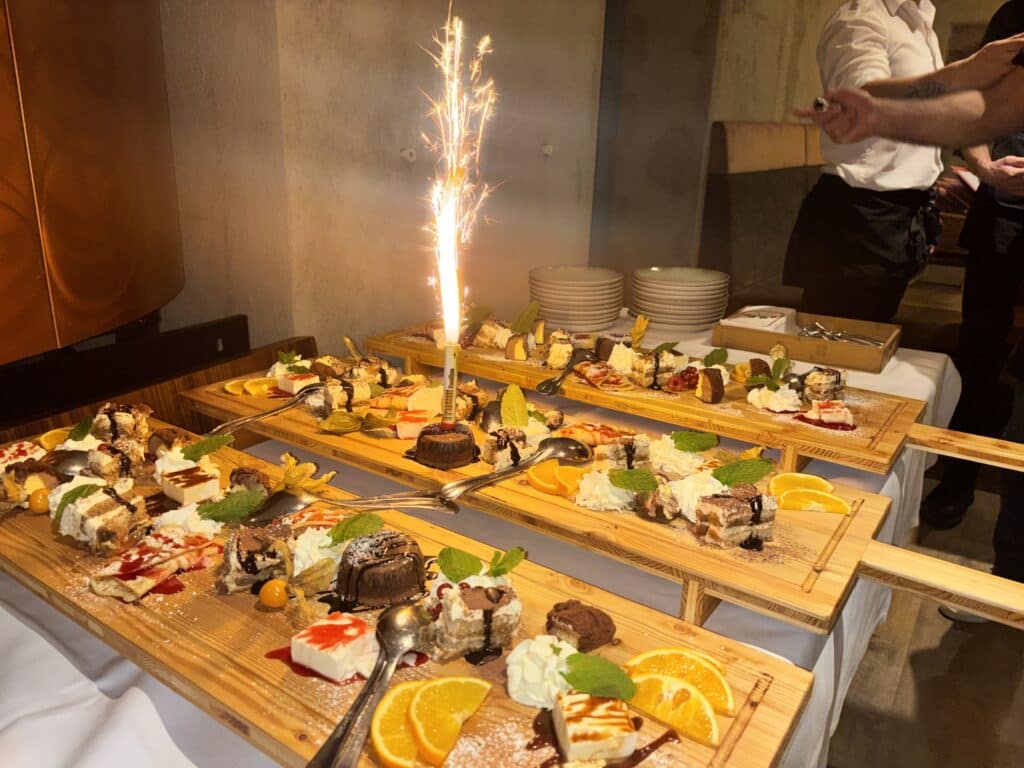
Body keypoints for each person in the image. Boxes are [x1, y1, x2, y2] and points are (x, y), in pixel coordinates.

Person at [922, 1, 1024, 539]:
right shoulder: (1014, 15)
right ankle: (958, 474)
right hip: (1002, 208)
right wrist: (984, 167)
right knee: (979, 350)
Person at [784, 0, 945, 323]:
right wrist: (969, 75)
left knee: (875, 336)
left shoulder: (922, 24)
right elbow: (865, 103)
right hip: (860, 218)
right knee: (837, 342)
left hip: (905, 216)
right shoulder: (861, 18)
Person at [799, 34, 1024, 147]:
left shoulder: (923, 24)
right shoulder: (862, 20)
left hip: (910, 206)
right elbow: (860, 97)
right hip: (863, 204)